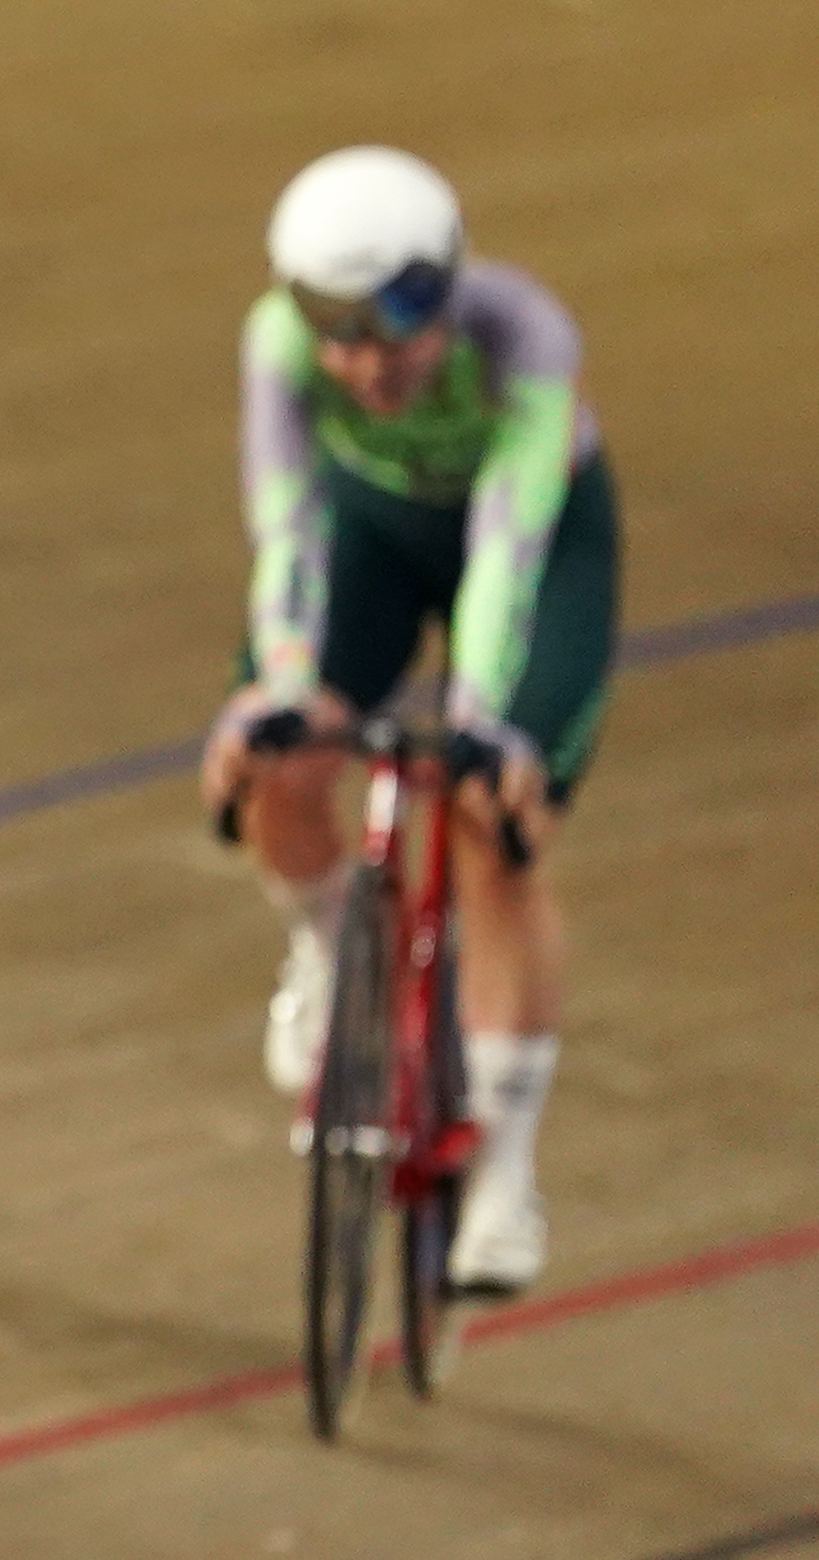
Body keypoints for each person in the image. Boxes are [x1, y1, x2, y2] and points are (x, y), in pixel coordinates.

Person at [196, 149, 612, 1294]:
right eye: (334, 327)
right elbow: (284, 531)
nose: (367, 362)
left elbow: (506, 548)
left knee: (493, 824)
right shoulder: (276, 350)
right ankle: (332, 942)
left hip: (532, 540)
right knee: (278, 755)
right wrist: (282, 686)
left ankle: (506, 1170)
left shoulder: (522, 338)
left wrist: (479, 720)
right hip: (370, 533)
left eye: (399, 320)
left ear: (450, 282)